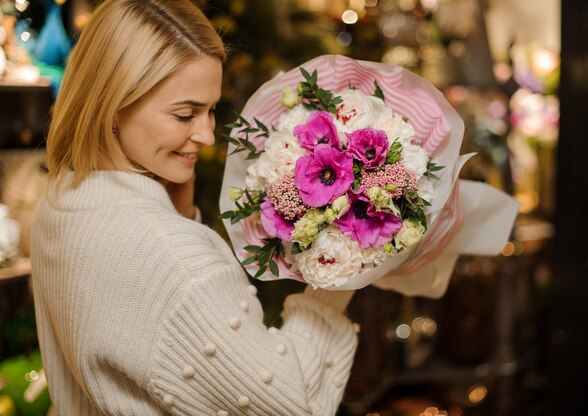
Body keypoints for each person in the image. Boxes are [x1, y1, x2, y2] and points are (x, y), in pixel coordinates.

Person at [31, 0, 358, 414]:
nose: (206, 135)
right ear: (112, 104)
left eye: (211, 110)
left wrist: (179, 215)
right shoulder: (170, 255)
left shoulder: (61, 200)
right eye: (185, 115)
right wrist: (341, 267)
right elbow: (290, 405)